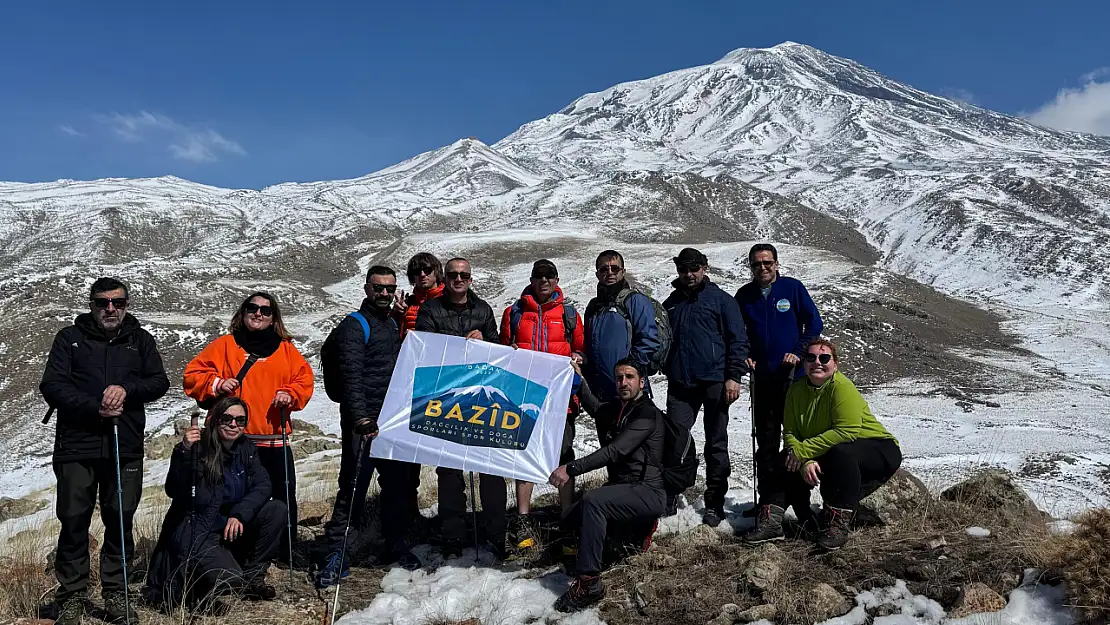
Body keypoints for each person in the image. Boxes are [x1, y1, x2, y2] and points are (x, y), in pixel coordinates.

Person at [40, 277, 170, 625]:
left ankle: (116, 594)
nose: (110, 308)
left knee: (120, 519)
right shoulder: (70, 338)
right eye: (102, 302)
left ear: (127, 304)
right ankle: (71, 597)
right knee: (73, 521)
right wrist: (94, 406)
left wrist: (126, 390)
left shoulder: (139, 340)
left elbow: (159, 382)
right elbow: (52, 385)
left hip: (123, 445)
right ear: (91, 304)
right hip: (76, 446)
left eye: (118, 302)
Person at [183, 292, 314, 564]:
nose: (258, 314)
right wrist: (217, 384)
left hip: (272, 440)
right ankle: (220, 554)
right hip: (227, 442)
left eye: (266, 311)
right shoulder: (225, 346)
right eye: (252, 308)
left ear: (273, 318)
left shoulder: (286, 350)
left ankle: (282, 553)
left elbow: (304, 380)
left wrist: (289, 393)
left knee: (281, 497)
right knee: (224, 499)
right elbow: (192, 375)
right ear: (242, 313)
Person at [742, 339, 901, 551]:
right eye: (811, 357)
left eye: (824, 358)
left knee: (840, 453)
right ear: (804, 363)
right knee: (782, 460)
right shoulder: (796, 391)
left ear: (835, 364)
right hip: (827, 448)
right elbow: (790, 432)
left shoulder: (842, 388)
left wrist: (803, 452)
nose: (817, 362)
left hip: (877, 448)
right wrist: (804, 459)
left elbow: (847, 431)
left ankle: (837, 525)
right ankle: (772, 523)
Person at [316, 266, 421, 588]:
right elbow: (351, 377)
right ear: (366, 289)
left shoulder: (391, 323)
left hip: (390, 421)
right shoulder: (354, 326)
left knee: (396, 487)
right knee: (352, 489)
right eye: (379, 288)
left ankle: (394, 543)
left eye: (390, 288)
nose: (385, 294)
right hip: (363, 424)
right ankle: (337, 553)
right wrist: (361, 419)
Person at [143, 397, 286, 611]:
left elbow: (263, 485)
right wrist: (184, 451)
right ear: (215, 420)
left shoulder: (246, 448)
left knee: (277, 509)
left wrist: (239, 514)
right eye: (227, 419)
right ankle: (205, 584)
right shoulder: (197, 449)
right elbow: (173, 489)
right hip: (200, 530)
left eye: (240, 420)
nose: (233, 424)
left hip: (230, 526)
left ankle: (253, 577)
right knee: (228, 578)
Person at [550, 358, 664, 613]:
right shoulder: (618, 408)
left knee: (594, 501)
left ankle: (589, 582)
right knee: (568, 519)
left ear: (642, 382)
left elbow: (615, 451)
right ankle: (632, 534)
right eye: (619, 378)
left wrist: (571, 468)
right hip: (623, 489)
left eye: (630, 377)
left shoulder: (647, 414)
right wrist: (578, 379)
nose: (623, 382)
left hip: (648, 491)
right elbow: (594, 407)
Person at [414, 257, 508, 559]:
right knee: (449, 472)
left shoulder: (483, 310)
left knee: (490, 469)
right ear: (447, 277)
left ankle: (496, 534)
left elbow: (497, 348)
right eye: (453, 274)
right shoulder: (431, 309)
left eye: (463, 275)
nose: (458, 279)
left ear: (470, 279)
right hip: (445, 398)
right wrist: (457, 343)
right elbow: (424, 346)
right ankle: (452, 535)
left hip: (480, 400)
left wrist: (484, 341)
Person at [734, 243, 823, 517]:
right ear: (751, 267)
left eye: (767, 263)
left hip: (792, 379)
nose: (763, 268)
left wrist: (798, 353)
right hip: (763, 381)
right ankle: (767, 502)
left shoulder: (792, 288)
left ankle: (800, 503)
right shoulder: (744, 295)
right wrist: (746, 356)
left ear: (776, 263)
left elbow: (814, 324)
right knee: (767, 443)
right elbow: (739, 332)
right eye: (757, 264)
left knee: (795, 440)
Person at [662, 248, 750, 526]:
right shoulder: (671, 303)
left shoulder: (722, 301)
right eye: (683, 270)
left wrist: (734, 376)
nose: (689, 274)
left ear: (704, 268)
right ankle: (670, 497)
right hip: (680, 383)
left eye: (694, 269)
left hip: (715, 381)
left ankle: (714, 503)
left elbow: (738, 340)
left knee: (716, 443)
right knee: (674, 442)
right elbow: (663, 341)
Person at [499, 259, 585, 530]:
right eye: (539, 276)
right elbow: (502, 352)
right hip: (523, 399)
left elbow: (583, 350)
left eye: (550, 276)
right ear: (532, 279)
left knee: (563, 456)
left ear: (557, 280)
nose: (545, 281)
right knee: (523, 454)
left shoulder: (569, 314)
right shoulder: (513, 313)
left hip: (561, 403)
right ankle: (523, 519)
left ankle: (567, 516)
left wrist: (577, 357)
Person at [582, 250, 663, 403]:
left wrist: (629, 372)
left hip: (630, 392)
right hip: (601, 392)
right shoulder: (593, 307)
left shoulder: (635, 301)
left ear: (623, 271)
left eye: (615, 268)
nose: (610, 273)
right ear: (597, 274)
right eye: (604, 269)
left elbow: (649, 340)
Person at [394, 252, 444, 338]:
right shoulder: (408, 304)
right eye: (417, 271)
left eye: (427, 270)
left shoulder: (450, 300)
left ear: (436, 272)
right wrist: (396, 314)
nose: (422, 274)